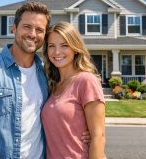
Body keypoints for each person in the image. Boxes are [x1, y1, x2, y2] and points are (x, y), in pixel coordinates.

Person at [0, 2, 89, 159]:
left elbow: (61, 114)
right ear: (14, 28)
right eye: (27, 27)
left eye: (39, 30)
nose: (32, 34)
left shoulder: (47, 74)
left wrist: (85, 131)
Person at [41, 22, 106, 159]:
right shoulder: (53, 84)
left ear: (75, 48)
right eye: (52, 46)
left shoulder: (86, 81)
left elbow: (98, 137)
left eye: (64, 45)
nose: (57, 52)